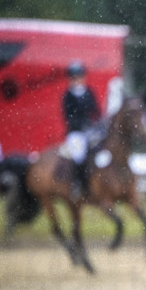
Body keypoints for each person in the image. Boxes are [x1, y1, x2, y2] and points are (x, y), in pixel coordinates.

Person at [60, 60, 100, 196]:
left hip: (91, 130)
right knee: (79, 155)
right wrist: (80, 124)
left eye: (79, 76)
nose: (76, 80)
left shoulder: (89, 92)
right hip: (76, 132)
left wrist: (93, 122)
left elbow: (96, 110)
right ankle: (77, 184)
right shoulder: (67, 96)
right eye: (73, 77)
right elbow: (67, 116)